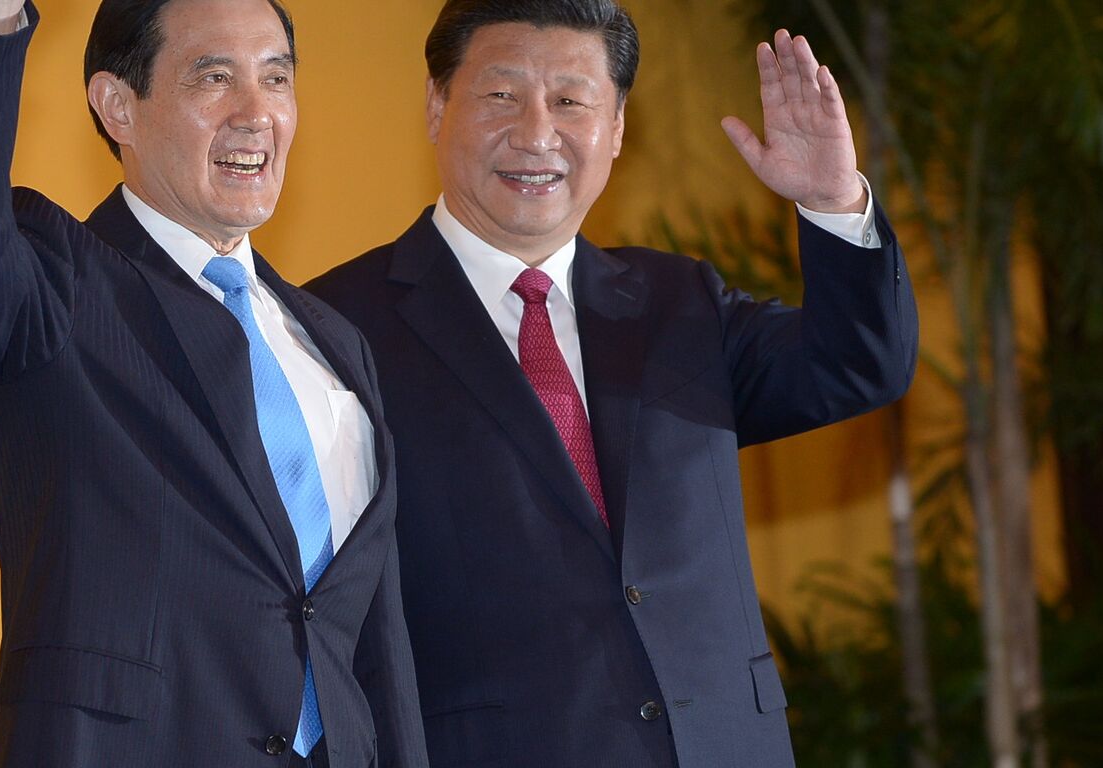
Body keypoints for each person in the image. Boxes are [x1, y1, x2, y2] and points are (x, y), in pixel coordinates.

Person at [303, 0, 917, 764]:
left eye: (570, 100)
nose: (535, 133)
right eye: (501, 95)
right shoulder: (332, 327)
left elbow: (859, 365)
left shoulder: (678, 303)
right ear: (436, 105)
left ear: (618, 125)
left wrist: (831, 204)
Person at [0, 0, 428, 765]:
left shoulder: (334, 343)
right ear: (117, 107)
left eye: (277, 79)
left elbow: (373, 640)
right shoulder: (58, 293)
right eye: (214, 77)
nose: (255, 112)